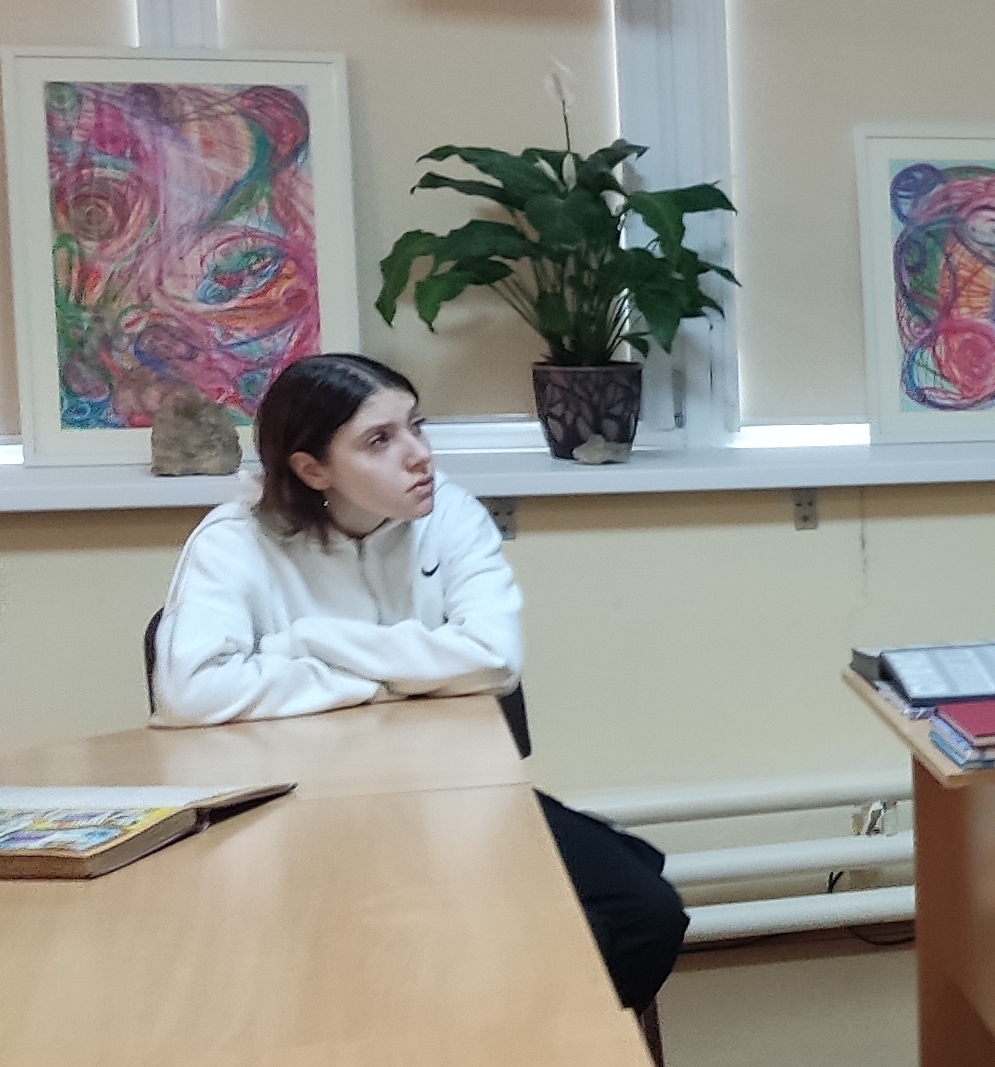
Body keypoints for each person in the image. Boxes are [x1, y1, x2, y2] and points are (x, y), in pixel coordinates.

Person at [149, 353, 686, 1030]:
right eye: (380, 440)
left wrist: (310, 640)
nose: (419, 455)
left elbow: (493, 659)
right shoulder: (234, 541)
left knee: (641, 911)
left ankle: (528, 1045)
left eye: (417, 426)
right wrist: (400, 679)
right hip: (297, 815)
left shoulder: (450, 513)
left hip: (450, 791)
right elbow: (190, 691)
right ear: (312, 470)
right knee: (366, 947)